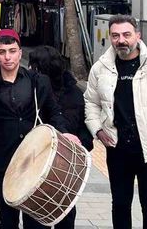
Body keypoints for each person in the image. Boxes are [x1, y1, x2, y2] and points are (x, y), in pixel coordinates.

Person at [84, 15, 147, 229]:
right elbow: (91, 103)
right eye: (115, 35)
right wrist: (97, 129)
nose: (121, 40)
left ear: (137, 36)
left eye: (126, 35)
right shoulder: (100, 68)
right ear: (110, 37)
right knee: (120, 205)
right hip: (117, 150)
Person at [0, 29, 80, 229]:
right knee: (8, 220)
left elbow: (54, 112)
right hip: (5, 162)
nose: (8, 57)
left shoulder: (39, 81)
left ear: (20, 53)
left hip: (36, 159)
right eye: (2, 52)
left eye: (12, 51)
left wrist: (64, 133)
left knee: (35, 221)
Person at [27, 46, 94, 229]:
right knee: (34, 218)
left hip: (65, 167)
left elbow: (84, 128)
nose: (30, 69)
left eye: (34, 66)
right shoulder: (32, 90)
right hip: (37, 166)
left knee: (65, 216)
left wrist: (81, 147)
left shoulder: (74, 94)